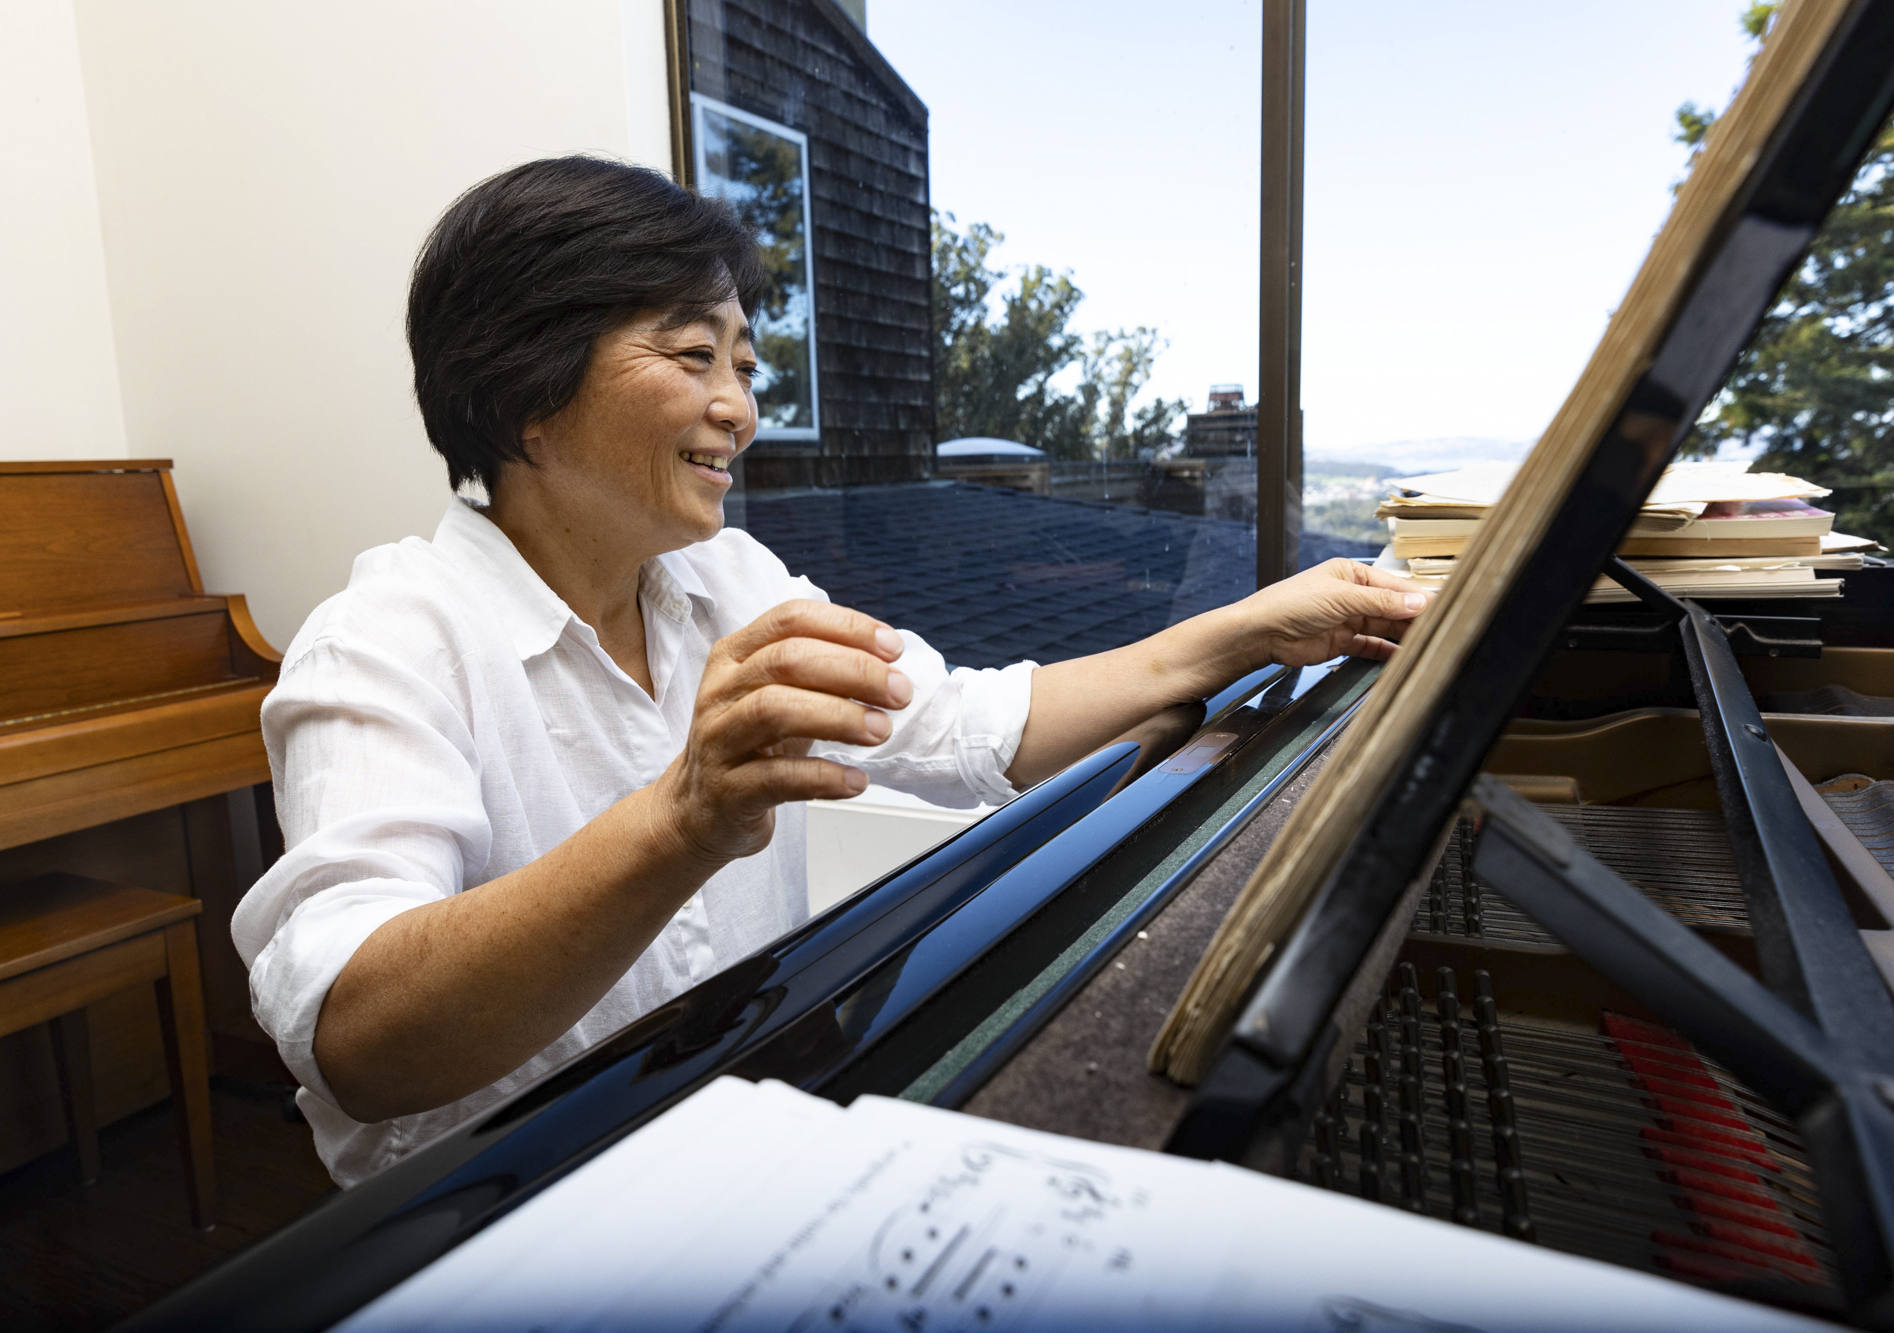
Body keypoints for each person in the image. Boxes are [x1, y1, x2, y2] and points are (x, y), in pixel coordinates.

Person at [232, 156, 1432, 1186]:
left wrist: (1252, 628)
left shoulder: (731, 582)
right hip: (502, 1215)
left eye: (745, 365)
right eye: (694, 355)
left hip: (741, 1142)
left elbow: (965, 729)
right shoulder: (385, 639)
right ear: (523, 395)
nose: (737, 408)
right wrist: (683, 818)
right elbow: (357, 1037)